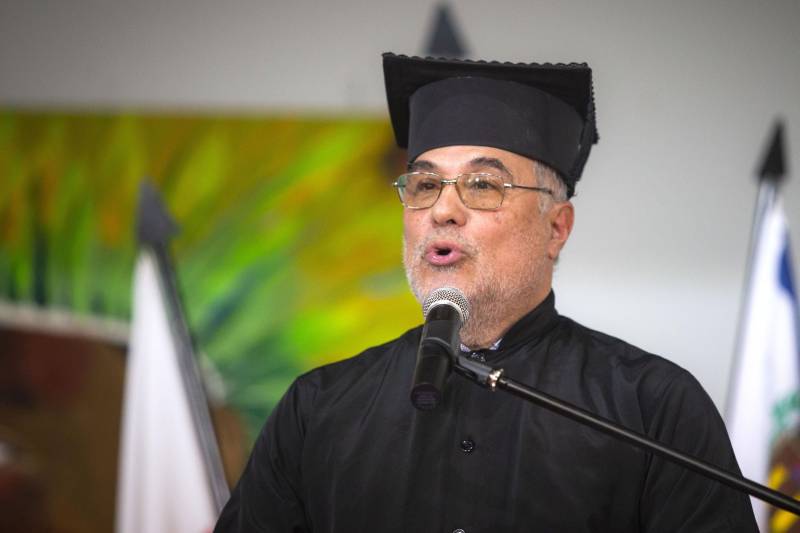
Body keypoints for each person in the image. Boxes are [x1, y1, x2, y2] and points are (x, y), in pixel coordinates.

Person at [214, 53, 757, 532]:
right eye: (425, 185)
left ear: (556, 228)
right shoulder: (319, 409)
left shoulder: (651, 408)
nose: (444, 210)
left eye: (482, 185)